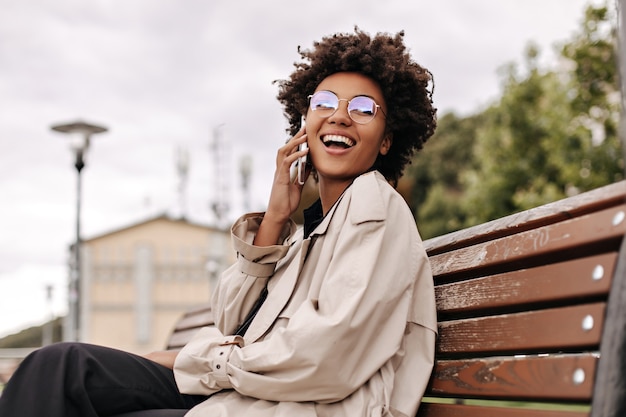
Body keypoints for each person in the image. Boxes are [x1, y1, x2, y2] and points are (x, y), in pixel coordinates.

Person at [0, 28, 437, 417]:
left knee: (64, 377)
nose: (339, 115)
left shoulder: (373, 205)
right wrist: (274, 221)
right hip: (255, 395)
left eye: (363, 108)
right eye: (323, 102)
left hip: (308, 406)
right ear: (304, 123)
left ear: (387, 142)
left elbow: (327, 358)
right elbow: (233, 321)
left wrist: (193, 360)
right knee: (59, 366)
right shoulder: (309, 230)